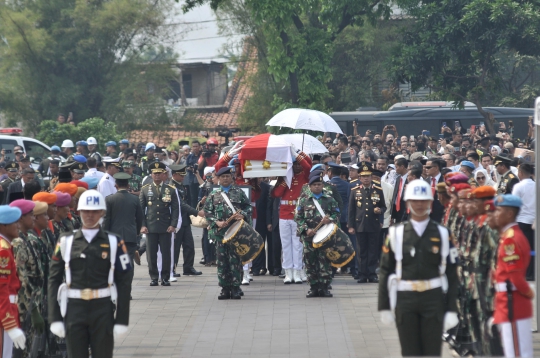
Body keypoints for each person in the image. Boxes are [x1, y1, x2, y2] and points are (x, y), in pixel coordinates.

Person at [378, 179, 459, 356]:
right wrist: (383, 306)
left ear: (431, 202)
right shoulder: (396, 233)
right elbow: (385, 271)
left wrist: (452, 309)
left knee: (432, 352)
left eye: (424, 200)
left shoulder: (443, 233)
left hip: (433, 299)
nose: (420, 204)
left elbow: (453, 275)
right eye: (415, 200)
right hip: (405, 300)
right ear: (408, 203)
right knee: (409, 351)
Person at [48, 190, 132, 358]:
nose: (90, 215)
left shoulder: (113, 241)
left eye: (95, 211)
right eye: (86, 211)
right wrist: (54, 317)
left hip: (102, 308)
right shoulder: (66, 241)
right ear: (79, 212)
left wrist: (122, 319)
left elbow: (124, 282)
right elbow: (53, 279)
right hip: (74, 308)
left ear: (102, 213)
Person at [491, 194, 534, 358]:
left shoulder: (510, 239)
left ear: (509, 214)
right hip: (508, 298)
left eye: (498, 211)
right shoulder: (509, 235)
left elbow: (515, 276)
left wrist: (529, 293)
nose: (495, 214)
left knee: (516, 350)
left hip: (512, 299)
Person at [203, 167, 252, 300]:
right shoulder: (214, 194)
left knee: (235, 261)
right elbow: (207, 211)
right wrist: (216, 222)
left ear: (231, 178)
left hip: (236, 233)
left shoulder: (238, 192)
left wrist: (243, 215)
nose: (225, 179)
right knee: (222, 261)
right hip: (220, 234)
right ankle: (225, 288)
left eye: (227, 176)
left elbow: (248, 207)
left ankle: (236, 287)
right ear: (218, 178)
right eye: (223, 177)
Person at [9, 200, 45, 357]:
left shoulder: (25, 238)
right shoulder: (18, 243)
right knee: (22, 350)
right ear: (21, 218)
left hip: (32, 301)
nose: (34, 218)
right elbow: (21, 279)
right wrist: (33, 310)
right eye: (30, 215)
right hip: (24, 306)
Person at [271, 148, 312, 284]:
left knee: (298, 244)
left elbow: (308, 165)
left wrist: (297, 153)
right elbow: (276, 194)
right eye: (294, 164)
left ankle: (298, 271)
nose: (297, 166)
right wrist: (284, 179)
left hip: (297, 213)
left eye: (298, 164)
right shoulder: (284, 176)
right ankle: (288, 272)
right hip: (284, 213)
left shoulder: (304, 176)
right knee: (286, 244)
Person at [295, 175, 340, 297]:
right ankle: (313, 287)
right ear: (310, 187)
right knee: (310, 262)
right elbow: (298, 217)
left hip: (325, 237)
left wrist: (329, 219)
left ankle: (324, 287)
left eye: (319, 184)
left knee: (324, 261)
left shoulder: (329, 200)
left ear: (322, 186)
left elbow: (337, 214)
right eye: (314, 185)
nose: (317, 187)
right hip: (309, 237)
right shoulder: (303, 200)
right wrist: (306, 229)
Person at [103, 172, 143, 297]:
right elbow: (139, 218)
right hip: (130, 237)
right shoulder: (135, 199)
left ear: (116, 185)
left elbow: (106, 220)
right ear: (128, 184)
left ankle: (116, 290)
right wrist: (136, 233)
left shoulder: (109, 199)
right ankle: (127, 292)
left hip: (114, 237)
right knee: (129, 264)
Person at [139, 162, 179, 286]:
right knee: (151, 254)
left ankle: (165, 277)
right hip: (150, 226)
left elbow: (176, 209)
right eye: (154, 173)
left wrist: (173, 224)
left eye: (159, 173)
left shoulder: (170, 189)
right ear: (151, 174)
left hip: (165, 226)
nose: (156, 176)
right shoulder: (145, 189)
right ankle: (154, 277)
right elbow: (140, 210)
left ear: (163, 175)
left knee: (166, 253)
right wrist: (142, 225)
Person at [348, 162, 386, 283]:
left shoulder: (378, 190)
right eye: (363, 176)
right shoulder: (354, 190)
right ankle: (362, 273)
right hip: (360, 224)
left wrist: (380, 213)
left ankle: (372, 273)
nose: (366, 178)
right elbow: (351, 210)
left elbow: (384, 207)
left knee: (373, 250)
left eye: (368, 176)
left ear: (371, 177)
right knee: (361, 250)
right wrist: (351, 225)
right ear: (359, 177)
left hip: (374, 224)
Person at [168, 165, 203, 277]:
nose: (183, 177)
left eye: (184, 175)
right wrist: (196, 212)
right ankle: (172, 268)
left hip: (185, 220)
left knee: (189, 245)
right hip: (176, 221)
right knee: (175, 247)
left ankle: (188, 267)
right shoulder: (171, 187)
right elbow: (181, 204)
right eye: (181, 175)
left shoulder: (181, 185)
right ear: (174, 175)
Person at [511, 161, 535, 280]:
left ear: (520, 173)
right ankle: (532, 272)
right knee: (533, 248)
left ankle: (525, 272)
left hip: (522, 221)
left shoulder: (519, 186)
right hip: (535, 222)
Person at [391, 157, 409, 224]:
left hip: (405, 208)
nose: (395, 169)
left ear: (402, 166)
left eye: (396, 167)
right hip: (396, 208)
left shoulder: (410, 178)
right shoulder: (398, 178)